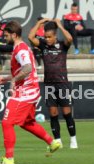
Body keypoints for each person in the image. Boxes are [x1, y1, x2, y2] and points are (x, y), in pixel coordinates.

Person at [0, 21, 60, 164]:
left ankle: (9, 159)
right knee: (26, 122)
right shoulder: (19, 48)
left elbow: (28, 68)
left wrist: (12, 82)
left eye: (6, 35)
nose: (4, 38)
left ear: (14, 35)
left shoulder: (21, 50)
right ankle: (52, 142)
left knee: (7, 122)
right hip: (30, 90)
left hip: (25, 92)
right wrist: (6, 78)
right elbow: (21, 71)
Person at [29, 18, 78, 149]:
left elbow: (70, 39)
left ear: (55, 35)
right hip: (49, 85)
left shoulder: (63, 45)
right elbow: (30, 37)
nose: (47, 39)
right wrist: (39, 23)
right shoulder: (43, 45)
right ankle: (58, 141)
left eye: (49, 37)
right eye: (45, 37)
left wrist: (60, 25)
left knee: (67, 113)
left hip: (62, 83)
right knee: (53, 114)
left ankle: (73, 140)